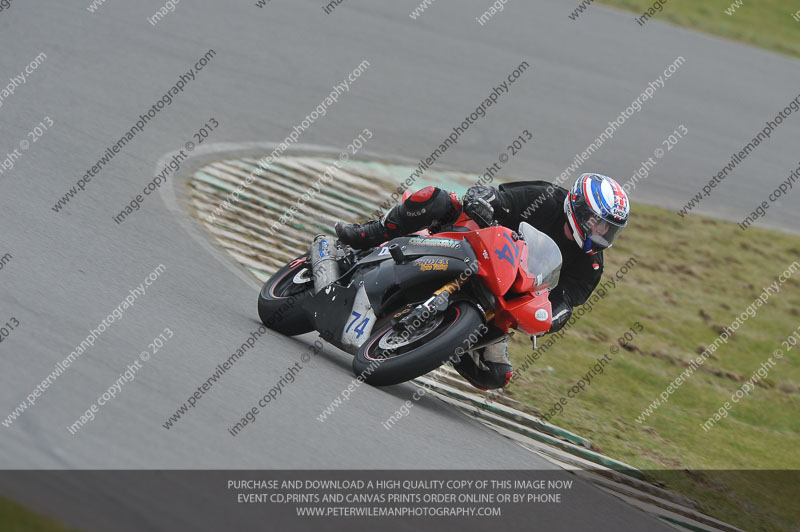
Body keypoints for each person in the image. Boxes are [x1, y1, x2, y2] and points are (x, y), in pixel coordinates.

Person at [335, 173, 630, 390]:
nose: (601, 232)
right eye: (597, 222)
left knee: (495, 376)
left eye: (609, 229)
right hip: (475, 245)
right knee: (438, 199)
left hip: (504, 298)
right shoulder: (545, 196)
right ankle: (372, 233)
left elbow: (565, 302)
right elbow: (495, 196)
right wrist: (482, 203)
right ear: (577, 206)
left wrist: (551, 317)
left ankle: (443, 342)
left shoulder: (591, 265)